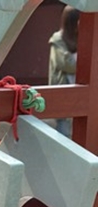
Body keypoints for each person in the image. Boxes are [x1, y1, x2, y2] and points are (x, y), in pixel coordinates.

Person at [48, 5, 79, 138]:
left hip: (80, 92)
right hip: (63, 89)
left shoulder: (82, 38)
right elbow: (67, 64)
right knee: (63, 133)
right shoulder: (58, 40)